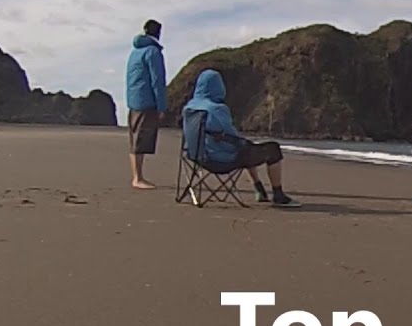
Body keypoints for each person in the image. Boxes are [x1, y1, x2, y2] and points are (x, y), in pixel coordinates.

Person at [182, 69, 301, 208]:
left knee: (245, 148)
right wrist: (244, 142)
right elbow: (231, 136)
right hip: (220, 160)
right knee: (272, 149)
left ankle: (259, 189)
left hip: (197, 156)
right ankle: (278, 195)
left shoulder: (189, 108)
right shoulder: (216, 109)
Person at [125, 19, 167, 189]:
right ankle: (138, 178)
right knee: (141, 141)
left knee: (135, 139)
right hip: (146, 101)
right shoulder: (153, 52)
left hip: (133, 100)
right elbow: (158, 81)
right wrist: (161, 106)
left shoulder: (135, 52)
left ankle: (137, 176)